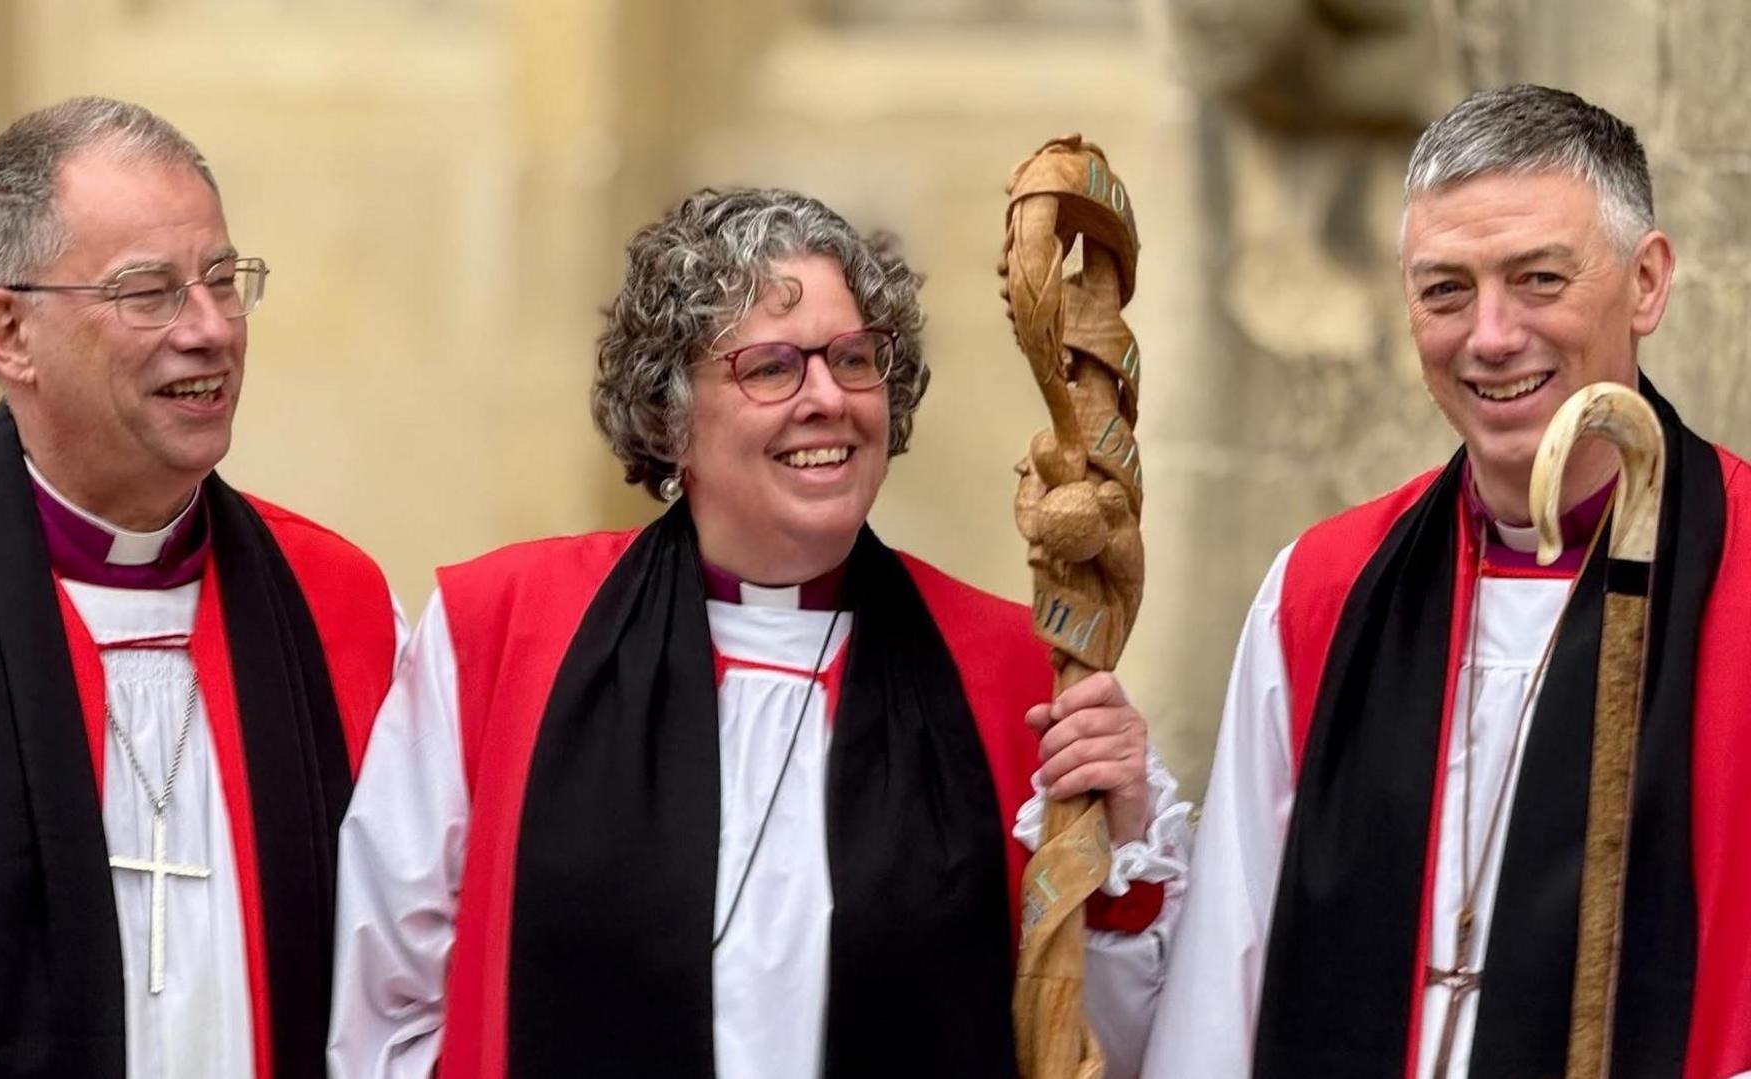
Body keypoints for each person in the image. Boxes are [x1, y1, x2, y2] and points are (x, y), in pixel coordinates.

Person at [327, 187, 1192, 1078]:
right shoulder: (504, 634)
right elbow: (386, 1002)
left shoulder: (1017, 678)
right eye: (774, 368)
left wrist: (1117, 846)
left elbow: (1110, 1053)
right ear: (672, 417)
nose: (827, 397)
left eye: (855, 359)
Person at [1143, 84, 1751, 1079]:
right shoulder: (1322, 590)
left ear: (1647, 282)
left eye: (1539, 278)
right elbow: (1226, 978)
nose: (1492, 335)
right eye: (1445, 290)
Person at [0, 97, 403, 1078]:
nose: (213, 329)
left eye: (225, 279)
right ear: (9, 331)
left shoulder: (336, 598)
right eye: (150, 292)